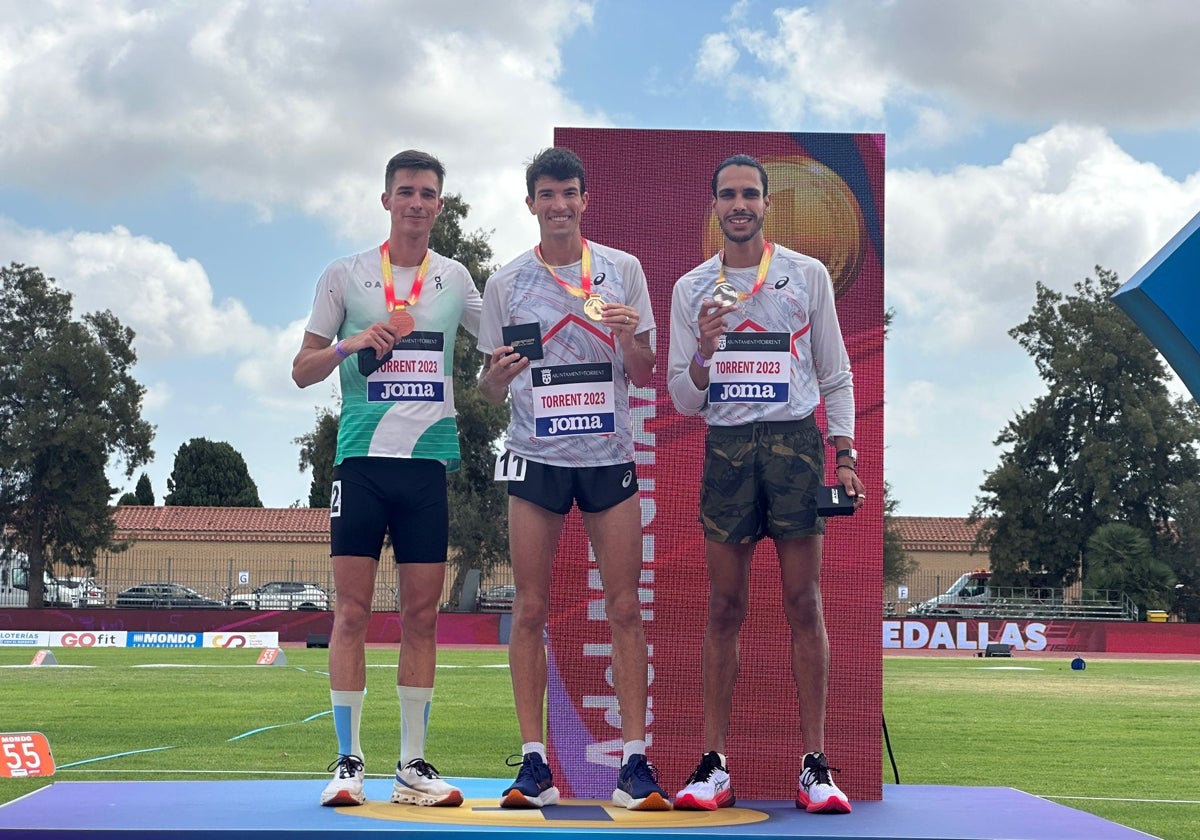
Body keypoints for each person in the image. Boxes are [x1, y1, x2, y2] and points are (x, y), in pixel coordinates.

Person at [666, 153, 864, 815]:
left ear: (767, 203)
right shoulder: (693, 288)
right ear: (715, 206)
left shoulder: (805, 276)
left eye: (750, 193)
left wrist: (845, 454)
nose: (740, 204)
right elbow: (683, 399)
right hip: (726, 449)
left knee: (803, 603)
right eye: (728, 195)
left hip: (794, 447)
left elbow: (834, 373)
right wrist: (701, 350)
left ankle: (815, 765)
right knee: (725, 608)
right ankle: (714, 765)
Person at [477, 147, 669, 811]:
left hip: (608, 458)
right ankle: (535, 765)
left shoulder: (623, 271)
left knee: (624, 608)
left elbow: (644, 372)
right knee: (529, 609)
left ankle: (635, 763)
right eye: (546, 195)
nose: (558, 206)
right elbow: (485, 388)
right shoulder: (505, 285)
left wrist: (628, 337)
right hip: (536, 457)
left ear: (586, 201)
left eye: (569, 195)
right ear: (530, 203)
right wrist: (494, 380)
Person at [292, 149, 481, 808]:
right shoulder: (344, 275)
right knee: (350, 614)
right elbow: (302, 369)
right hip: (361, 464)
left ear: (438, 204)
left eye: (428, 193)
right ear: (387, 200)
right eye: (406, 191)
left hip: (427, 465)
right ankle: (348, 763)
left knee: (422, 617)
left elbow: (503, 341)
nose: (417, 203)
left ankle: (412, 767)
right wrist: (348, 345)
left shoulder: (454, 278)